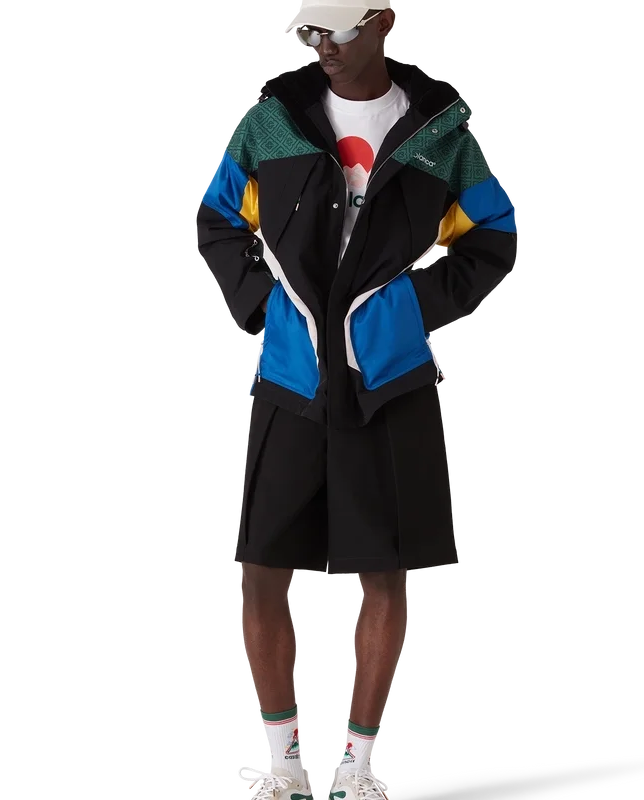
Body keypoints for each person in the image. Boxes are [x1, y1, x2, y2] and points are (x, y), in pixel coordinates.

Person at [196, 1, 518, 797]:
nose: (321, 46)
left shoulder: (442, 130)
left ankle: (361, 765)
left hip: (389, 379)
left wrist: (410, 311)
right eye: (308, 33)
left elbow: (493, 231)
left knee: (383, 568)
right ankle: (281, 762)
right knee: (262, 565)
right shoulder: (272, 121)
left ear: (385, 23)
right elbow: (215, 216)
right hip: (294, 374)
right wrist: (262, 310)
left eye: (336, 30)